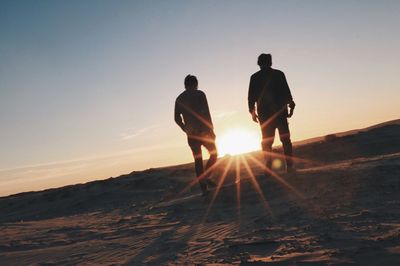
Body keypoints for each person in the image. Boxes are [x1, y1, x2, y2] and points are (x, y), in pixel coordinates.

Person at [248, 53, 296, 174]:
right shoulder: (279, 74)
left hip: (265, 115)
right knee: (285, 139)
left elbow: (251, 98)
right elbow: (286, 91)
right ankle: (289, 166)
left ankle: (268, 166)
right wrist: (291, 105)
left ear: (259, 63)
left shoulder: (254, 77)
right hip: (280, 111)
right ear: (270, 62)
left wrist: (252, 112)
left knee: (267, 141)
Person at [175, 75, 218, 195]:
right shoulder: (200, 94)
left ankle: (204, 188)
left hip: (191, 134)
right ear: (195, 83)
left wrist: (185, 128)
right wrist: (211, 129)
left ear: (185, 84)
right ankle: (206, 176)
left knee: (197, 160)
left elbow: (176, 118)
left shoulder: (179, 98)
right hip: (204, 131)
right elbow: (206, 113)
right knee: (214, 154)